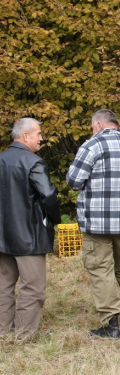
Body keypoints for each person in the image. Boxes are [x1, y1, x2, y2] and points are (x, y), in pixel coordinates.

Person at [66, 109, 120, 339]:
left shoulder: (91, 146)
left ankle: (111, 325)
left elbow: (73, 182)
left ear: (98, 124)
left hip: (97, 224)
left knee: (100, 270)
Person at [0, 118, 61, 340]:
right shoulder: (33, 162)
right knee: (33, 287)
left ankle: (3, 332)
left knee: (3, 285)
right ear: (25, 136)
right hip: (28, 236)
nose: (41, 138)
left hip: (2, 236)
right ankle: (23, 334)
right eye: (38, 133)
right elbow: (48, 195)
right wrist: (54, 219)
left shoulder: (1, 159)